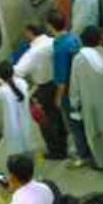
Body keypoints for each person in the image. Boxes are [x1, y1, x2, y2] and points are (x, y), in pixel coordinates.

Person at [70, 26, 103, 170]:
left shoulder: (79, 59)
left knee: (98, 134)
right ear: (100, 38)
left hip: (92, 104)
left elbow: (75, 85)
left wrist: (75, 103)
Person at [15, 24, 66, 159]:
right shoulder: (52, 42)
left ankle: (56, 151)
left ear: (30, 33)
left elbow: (18, 71)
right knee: (58, 117)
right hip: (58, 83)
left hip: (45, 88)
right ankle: (63, 145)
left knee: (46, 121)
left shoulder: (33, 52)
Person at [48, 10, 84, 163]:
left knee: (74, 124)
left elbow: (62, 79)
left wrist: (58, 98)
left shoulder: (59, 49)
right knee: (81, 120)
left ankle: (82, 154)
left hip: (68, 92)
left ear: (50, 27)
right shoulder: (74, 38)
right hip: (80, 86)